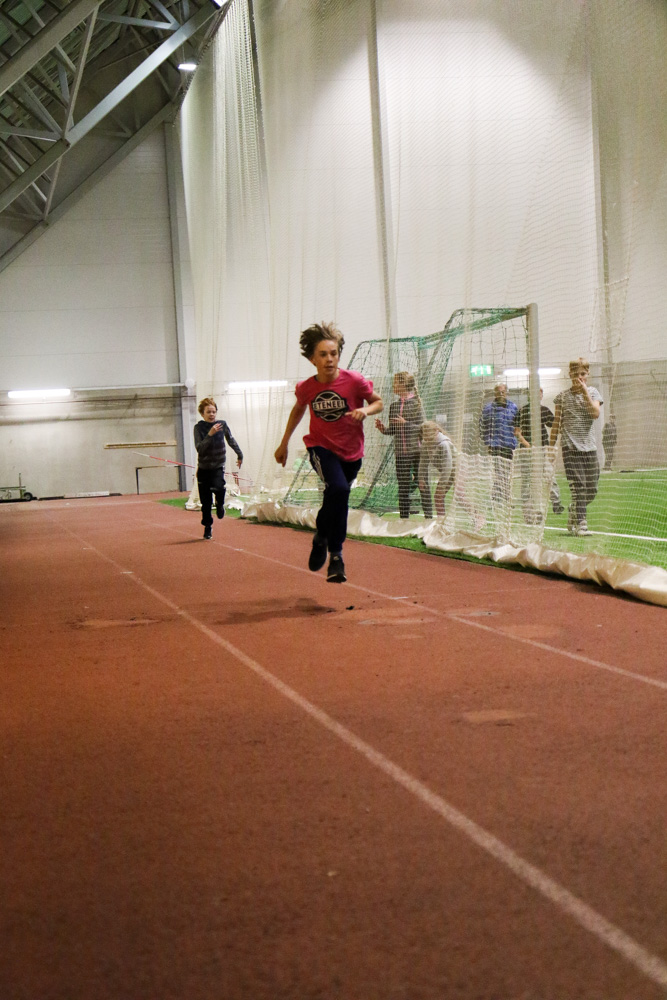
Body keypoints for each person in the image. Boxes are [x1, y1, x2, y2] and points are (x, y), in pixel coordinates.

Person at [274, 321, 383, 583]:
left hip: (352, 452)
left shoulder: (354, 381)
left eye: (333, 353)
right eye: (323, 355)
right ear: (313, 359)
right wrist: (284, 442)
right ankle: (336, 556)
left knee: (336, 497)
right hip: (321, 448)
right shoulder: (307, 387)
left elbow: (378, 402)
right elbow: (298, 409)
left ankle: (321, 535)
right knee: (340, 490)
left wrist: (365, 410)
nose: (329, 359)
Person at [550, 358, 602, 536]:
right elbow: (556, 423)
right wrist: (550, 448)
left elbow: (595, 413)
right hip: (570, 447)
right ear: (569, 375)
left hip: (589, 448)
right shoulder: (562, 397)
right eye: (575, 374)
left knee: (591, 489)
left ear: (587, 374)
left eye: (582, 374)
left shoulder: (593, 392)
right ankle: (581, 524)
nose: (579, 377)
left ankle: (574, 508)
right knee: (579, 486)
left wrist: (585, 391)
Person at [375, 372, 433, 519]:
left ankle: (429, 518)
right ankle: (404, 520)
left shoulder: (416, 404)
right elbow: (393, 430)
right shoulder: (394, 406)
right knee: (403, 487)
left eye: (396, 382)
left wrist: (406, 424)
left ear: (404, 385)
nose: (393, 385)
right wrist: (383, 429)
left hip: (417, 451)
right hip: (401, 453)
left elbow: (423, 428)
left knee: (423, 484)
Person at [194, 397, 243, 540]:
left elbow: (230, 439)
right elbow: (200, 449)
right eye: (208, 412)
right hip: (203, 468)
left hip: (217, 466)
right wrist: (210, 434)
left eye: (213, 412)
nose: (211, 415)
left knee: (219, 487)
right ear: (202, 414)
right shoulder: (199, 428)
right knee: (206, 503)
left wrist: (239, 454)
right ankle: (207, 527)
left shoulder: (222, 425)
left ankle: (220, 504)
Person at [517, 388, 564, 519]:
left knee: (549, 475)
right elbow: (517, 432)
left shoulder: (544, 410)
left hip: (542, 450)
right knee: (527, 479)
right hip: (527, 451)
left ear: (542, 396)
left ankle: (556, 502)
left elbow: (555, 425)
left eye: (539, 394)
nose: (537, 396)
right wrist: (527, 445)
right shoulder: (522, 411)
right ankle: (528, 508)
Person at [479, 383, 528, 505]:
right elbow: (482, 425)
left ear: (506, 393)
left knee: (506, 472)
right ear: (494, 393)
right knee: (498, 471)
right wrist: (487, 441)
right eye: (498, 392)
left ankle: (498, 496)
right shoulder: (488, 408)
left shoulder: (513, 407)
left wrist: (518, 438)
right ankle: (502, 497)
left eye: (503, 392)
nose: (500, 394)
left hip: (508, 444)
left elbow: (518, 425)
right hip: (495, 445)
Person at [417, 421, 455, 517]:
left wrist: (442, 485)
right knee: (438, 497)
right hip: (447, 472)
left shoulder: (444, 444)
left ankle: (478, 517)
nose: (427, 440)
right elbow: (423, 462)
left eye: (429, 438)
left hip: (458, 470)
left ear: (436, 431)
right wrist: (421, 478)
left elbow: (448, 467)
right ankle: (441, 522)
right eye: (425, 437)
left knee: (460, 496)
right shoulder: (426, 443)